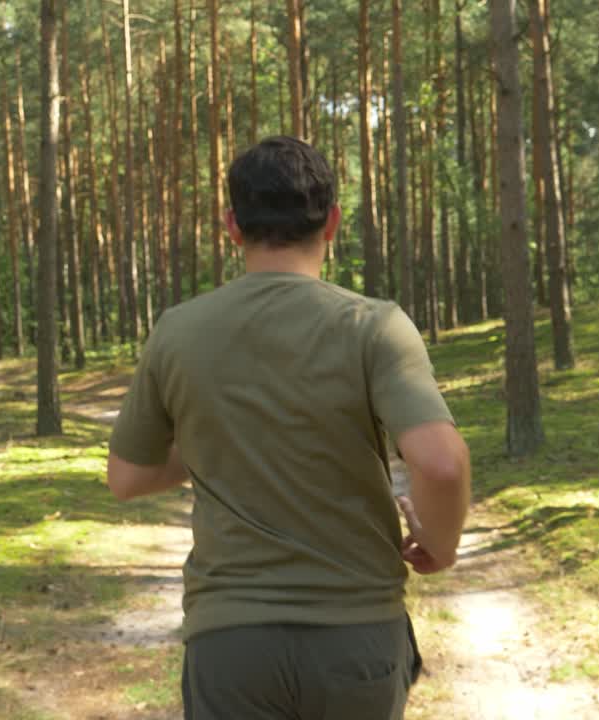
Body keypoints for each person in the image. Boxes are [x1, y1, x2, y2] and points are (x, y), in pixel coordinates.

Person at [106, 136, 471, 720]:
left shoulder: (177, 331)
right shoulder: (374, 327)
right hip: (357, 635)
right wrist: (441, 545)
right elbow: (441, 462)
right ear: (331, 222)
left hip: (230, 642)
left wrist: (212, 439)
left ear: (231, 225)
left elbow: (127, 477)